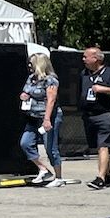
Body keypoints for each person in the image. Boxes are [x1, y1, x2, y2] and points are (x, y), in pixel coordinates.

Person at [79, 46, 110, 189]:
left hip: (104, 114)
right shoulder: (84, 73)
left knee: (103, 146)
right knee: (98, 147)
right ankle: (109, 175)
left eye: (86, 57)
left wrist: (104, 89)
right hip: (89, 115)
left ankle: (100, 178)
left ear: (96, 59)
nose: (83, 59)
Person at [20, 53, 67, 187]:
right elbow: (26, 91)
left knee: (50, 147)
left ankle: (58, 177)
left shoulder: (51, 80)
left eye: (32, 63)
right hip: (33, 116)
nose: (29, 66)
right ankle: (43, 169)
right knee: (26, 143)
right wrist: (25, 95)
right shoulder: (31, 78)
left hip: (48, 117)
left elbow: (51, 100)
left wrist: (47, 119)